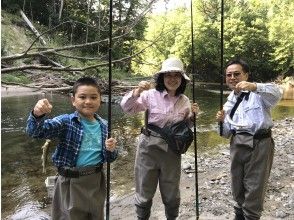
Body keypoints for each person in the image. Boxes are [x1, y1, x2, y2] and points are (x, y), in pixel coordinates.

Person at [26, 77, 118, 220]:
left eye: (93, 97)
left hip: (96, 181)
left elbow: (110, 158)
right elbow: (36, 132)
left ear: (100, 100)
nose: (88, 101)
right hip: (69, 183)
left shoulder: (105, 125)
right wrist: (37, 114)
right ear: (73, 100)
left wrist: (111, 150)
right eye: (82, 97)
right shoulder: (65, 121)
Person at [120, 57, 199, 220]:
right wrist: (136, 93)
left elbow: (185, 128)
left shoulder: (185, 101)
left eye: (176, 75)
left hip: (172, 151)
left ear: (182, 79)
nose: (172, 79)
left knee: (171, 192)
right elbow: (127, 108)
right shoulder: (149, 95)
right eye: (168, 75)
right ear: (162, 78)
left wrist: (193, 117)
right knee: (144, 191)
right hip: (148, 148)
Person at [216, 58, 282, 220]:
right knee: (237, 186)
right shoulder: (228, 102)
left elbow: (277, 93)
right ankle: (238, 215)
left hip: (259, 143)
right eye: (229, 75)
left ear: (246, 75)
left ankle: (252, 216)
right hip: (237, 144)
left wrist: (255, 86)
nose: (232, 78)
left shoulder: (259, 95)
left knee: (254, 188)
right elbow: (225, 134)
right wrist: (220, 122)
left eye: (237, 74)